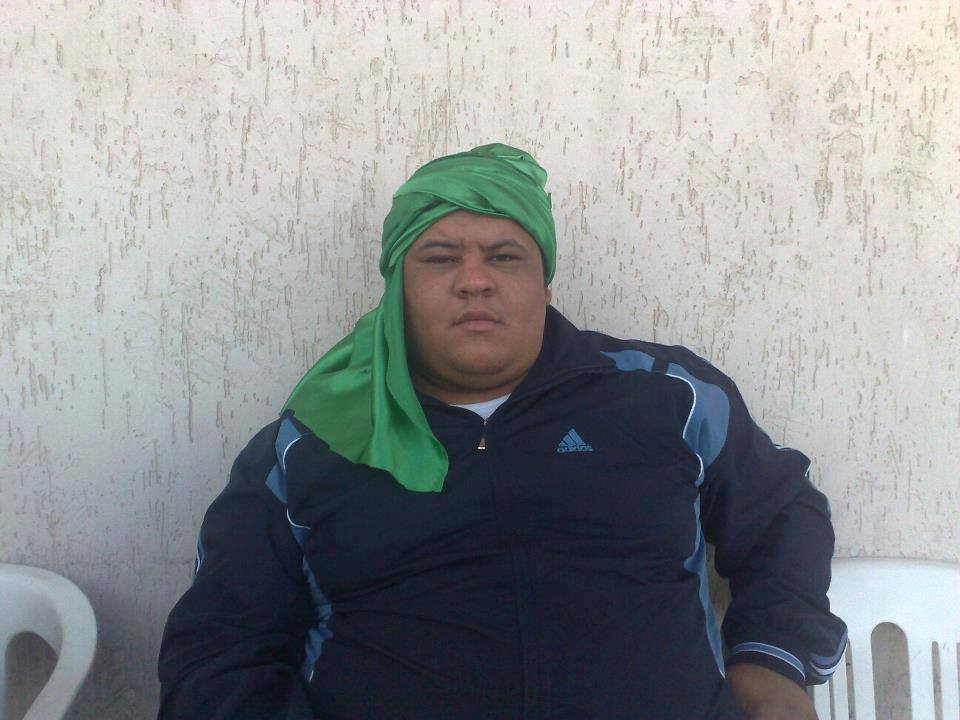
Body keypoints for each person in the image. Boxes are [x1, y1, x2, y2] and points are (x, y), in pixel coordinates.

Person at [157, 143, 847, 719]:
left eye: (505, 256)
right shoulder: (312, 445)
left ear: (544, 282)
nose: (474, 281)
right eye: (439, 258)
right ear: (397, 288)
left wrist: (773, 660)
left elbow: (783, 510)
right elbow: (217, 648)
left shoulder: (665, 398)